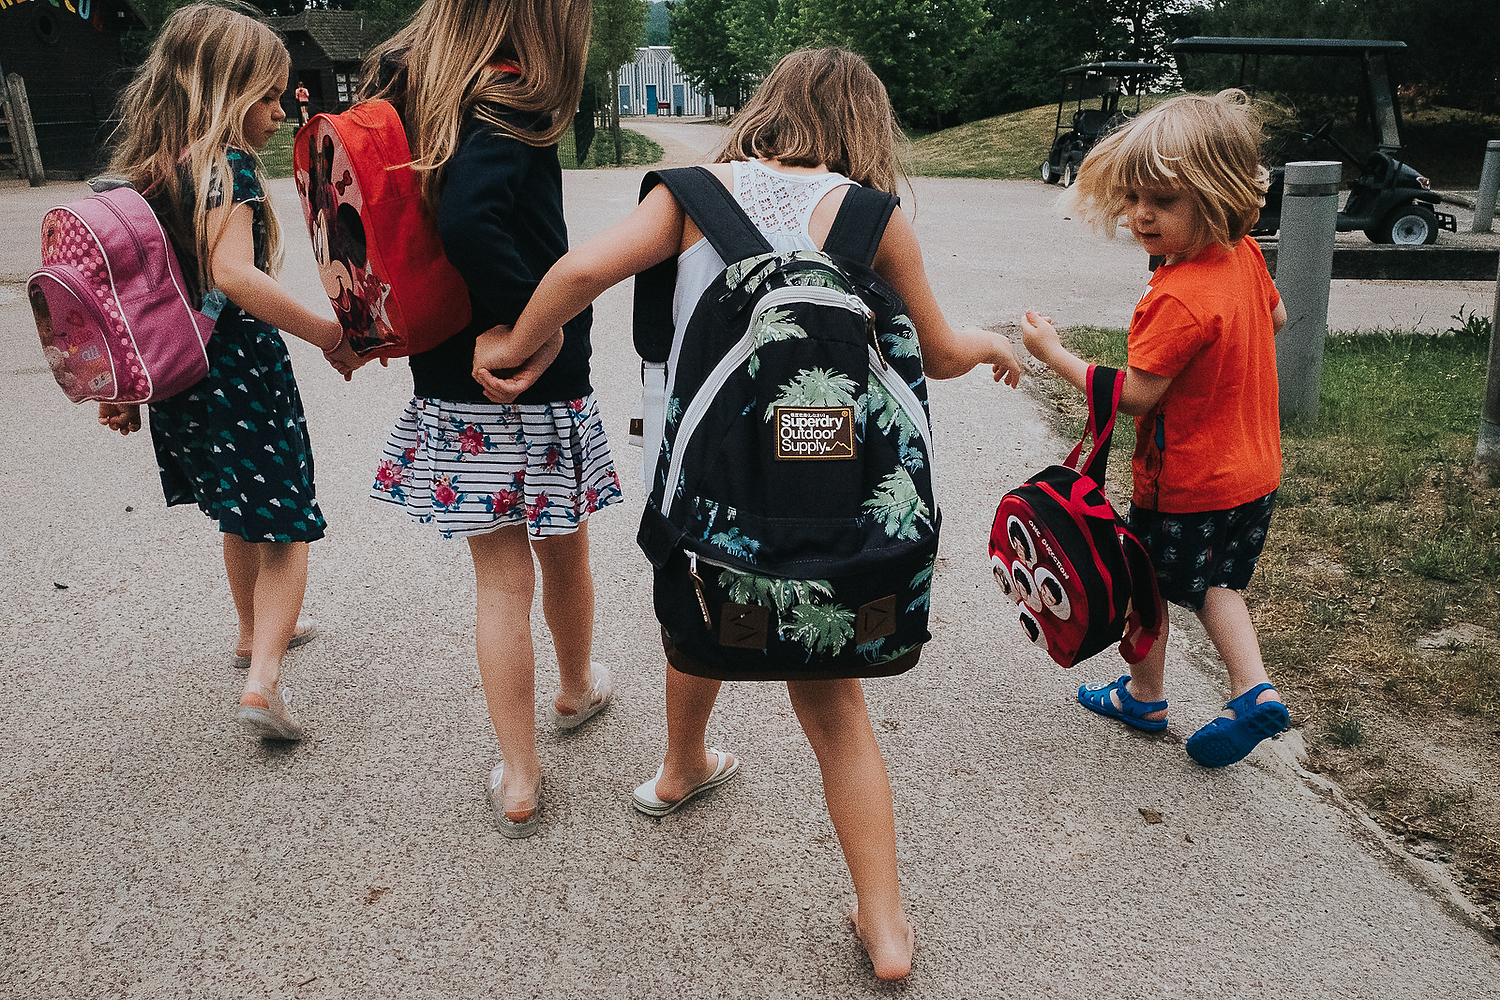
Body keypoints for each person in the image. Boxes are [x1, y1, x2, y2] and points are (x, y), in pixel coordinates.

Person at [472, 47, 1023, 981]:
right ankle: (885, 925)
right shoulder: (872, 217)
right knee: (834, 702)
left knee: (703, 610)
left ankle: (681, 766)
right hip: (834, 512)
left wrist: (520, 346)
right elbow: (935, 350)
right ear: (864, 129)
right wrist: (989, 344)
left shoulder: (692, 194)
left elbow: (576, 273)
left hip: (712, 493)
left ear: (768, 110)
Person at [357, 0, 621, 839]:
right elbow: (476, 218)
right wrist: (525, 327)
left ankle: (518, 772)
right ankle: (575, 689)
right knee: (562, 545)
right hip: (529, 377)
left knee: (499, 579)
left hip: (447, 374)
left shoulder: (410, 85)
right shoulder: (509, 92)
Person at [97, 4, 355, 740]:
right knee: (287, 526)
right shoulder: (227, 166)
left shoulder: (148, 172)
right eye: (269, 97)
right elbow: (233, 276)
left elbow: (132, 296)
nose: (280, 112)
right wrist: (325, 333)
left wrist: (122, 391)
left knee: (239, 512)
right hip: (241, 372)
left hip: (182, 380)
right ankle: (263, 678)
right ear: (224, 91)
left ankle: (251, 633)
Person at [1020, 90, 1291, 768]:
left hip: (1186, 481)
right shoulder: (1246, 255)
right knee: (1219, 585)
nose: (1141, 214)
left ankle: (1143, 697)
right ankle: (1252, 689)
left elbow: (1138, 397)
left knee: (1146, 588)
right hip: (1254, 471)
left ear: (1218, 194)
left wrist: (1055, 356)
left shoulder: (1178, 296)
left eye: (1164, 202)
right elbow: (1277, 318)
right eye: (1134, 197)